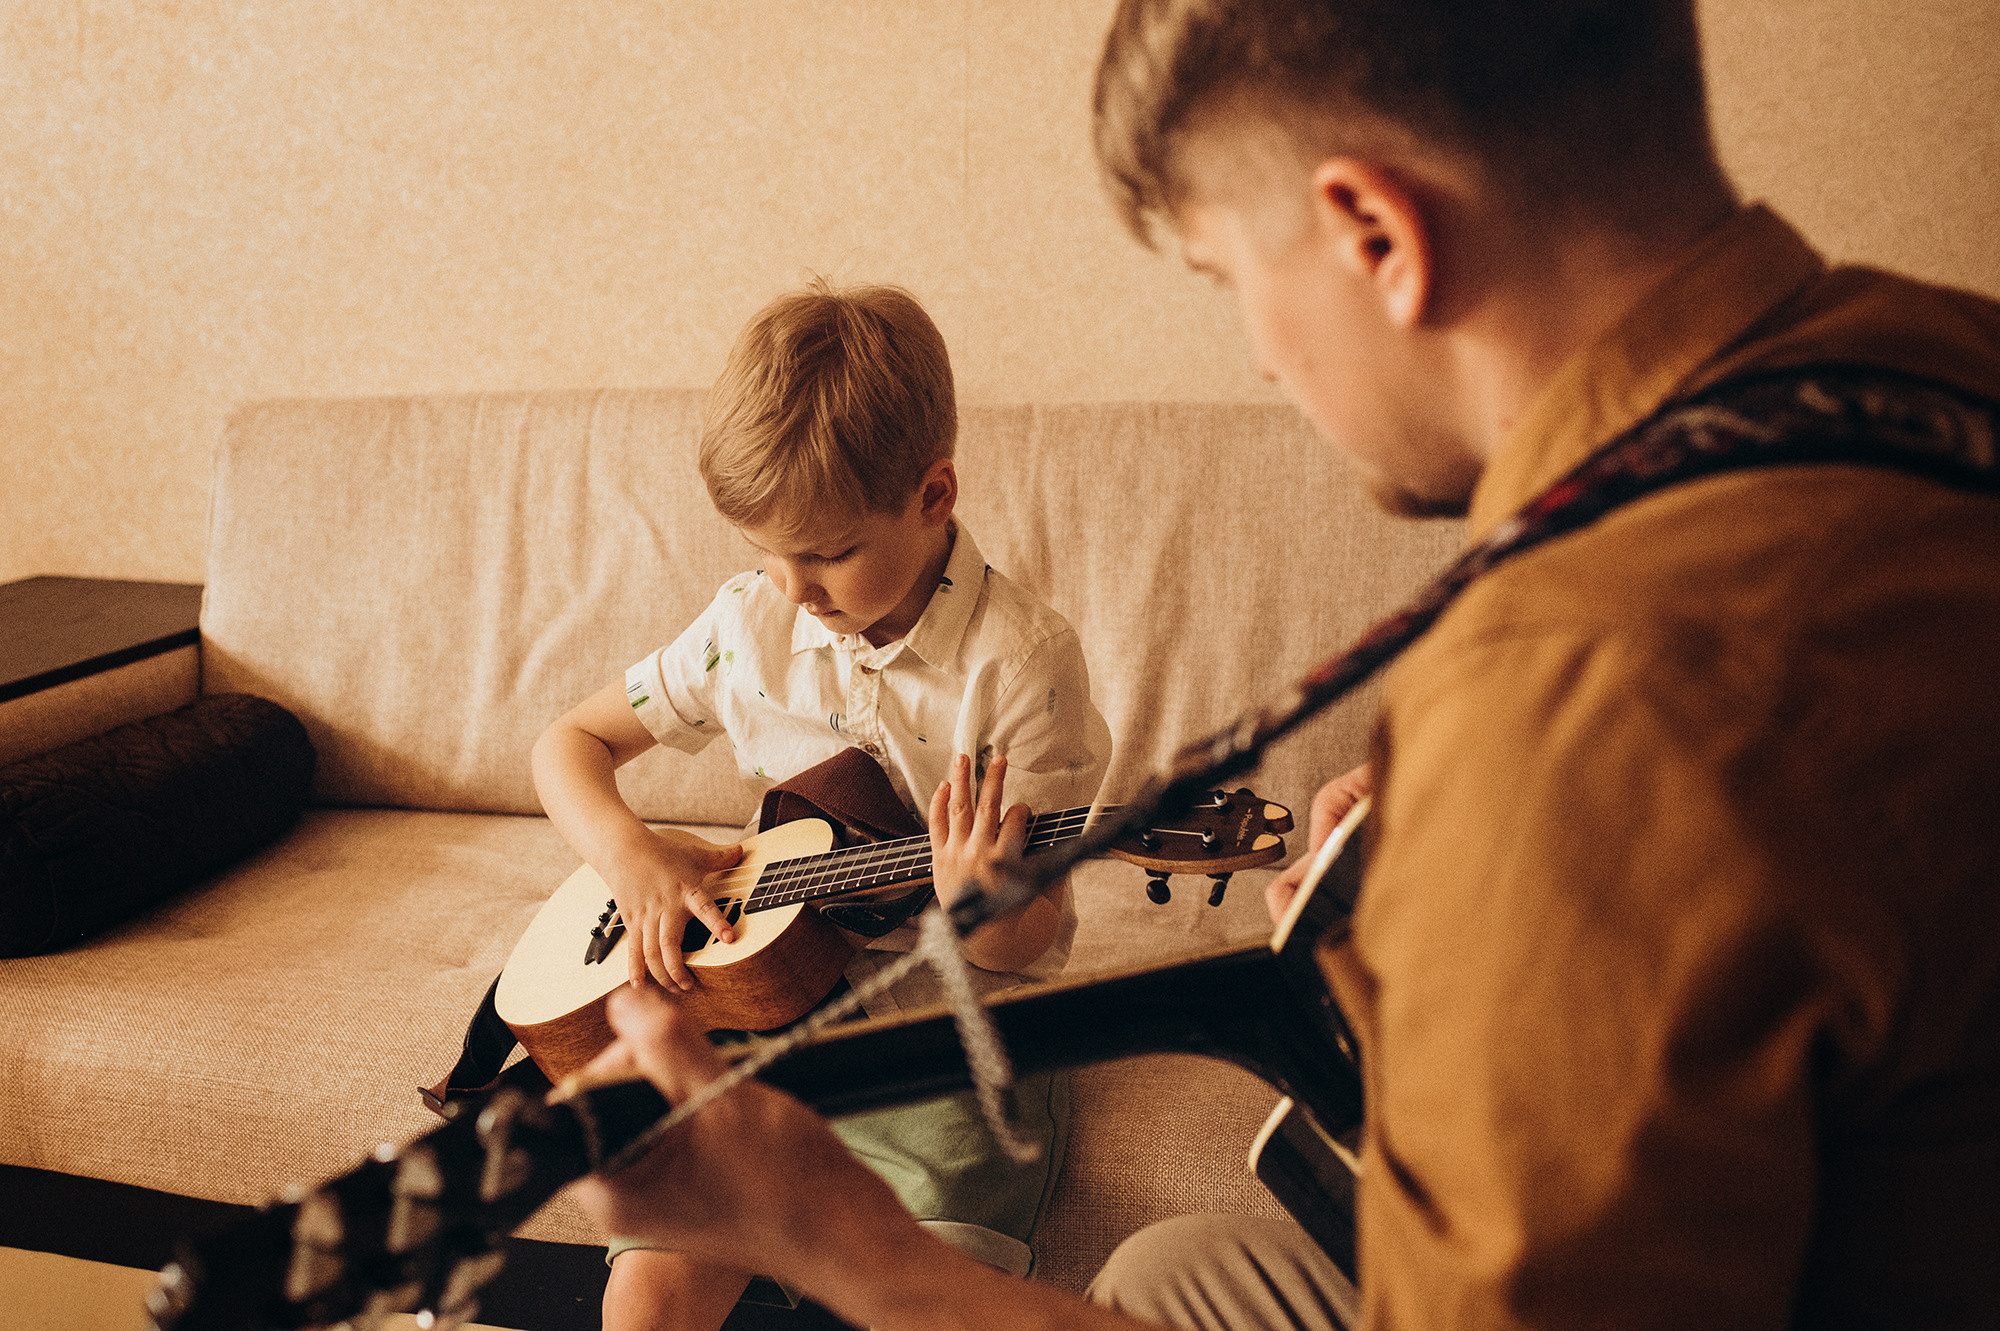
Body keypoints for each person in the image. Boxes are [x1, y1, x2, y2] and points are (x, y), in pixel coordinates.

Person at [566, 2, 2000, 1328]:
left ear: (1375, 228)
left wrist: (829, 1234)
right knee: (1176, 1263)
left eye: (1229, 276)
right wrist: (1451, 885)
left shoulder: (1581, 689)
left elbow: (1642, 745)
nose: (1259, 356)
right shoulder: (1936, 358)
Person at [532, 278, 1111, 1331]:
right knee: (645, 1296)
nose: (792, 586)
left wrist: (984, 903)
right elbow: (565, 744)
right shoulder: (743, 628)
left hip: (945, 1052)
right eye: (766, 551)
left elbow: (1030, 939)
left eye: (828, 550)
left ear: (933, 495)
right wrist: (629, 854)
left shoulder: (1023, 666)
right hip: (762, 1023)